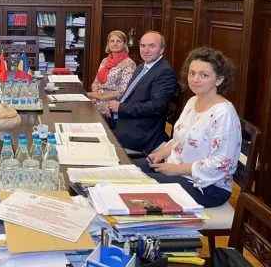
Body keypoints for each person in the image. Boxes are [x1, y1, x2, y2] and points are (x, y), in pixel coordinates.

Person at [134, 47, 241, 207]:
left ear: (219, 80)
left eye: (204, 75)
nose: (195, 79)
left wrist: (176, 169)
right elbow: (181, 139)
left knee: (136, 185)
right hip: (176, 168)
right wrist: (161, 153)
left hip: (207, 187)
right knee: (127, 170)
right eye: (192, 73)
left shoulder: (223, 113)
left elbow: (220, 164)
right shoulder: (193, 101)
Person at [108, 31, 177, 153]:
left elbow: (156, 106)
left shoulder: (164, 72)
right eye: (143, 46)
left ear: (161, 49)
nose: (146, 50)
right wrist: (115, 106)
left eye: (152, 46)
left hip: (140, 133)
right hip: (125, 122)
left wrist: (121, 108)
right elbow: (130, 96)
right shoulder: (142, 66)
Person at [88, 30, 136, 120]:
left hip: (113, 101)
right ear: (108, 44)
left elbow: (122, 91)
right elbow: (95, 82)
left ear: (124, 44)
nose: (115, 44)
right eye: (112, 41)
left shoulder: (129, 64)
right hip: (97, 96)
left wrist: (100, 97)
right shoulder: (105, 60)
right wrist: (94, 94)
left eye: (119, 41)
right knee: (76, 103)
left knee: (87, 112)